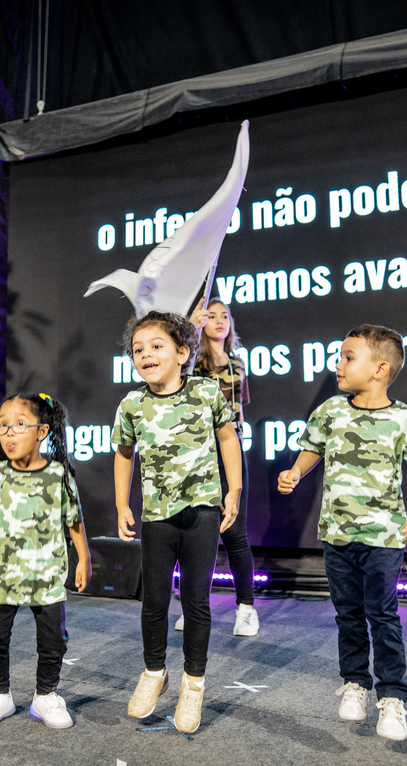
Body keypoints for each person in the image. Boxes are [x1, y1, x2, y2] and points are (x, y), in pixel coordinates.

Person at [278, 325, 407, 742]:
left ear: (380, 368)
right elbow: (312, 449)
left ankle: (392, 696)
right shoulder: (331, 411)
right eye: (340, 356)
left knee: (382, 614)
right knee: (347, 614)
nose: (339, 364)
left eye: (349, 357)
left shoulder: (405, 418)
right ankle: (355, 683)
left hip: (383, 537)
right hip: (336, 535)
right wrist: (296, 471)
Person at [113, 310, 243, 734]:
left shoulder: (206, 393)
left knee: (195, 601)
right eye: (138, 349)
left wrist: (234, 490)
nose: (145, 354)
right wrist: (121, 504)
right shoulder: (132, 404)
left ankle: (194, 682)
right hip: (157, 516)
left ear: (183, 352)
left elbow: (228, 438)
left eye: (156, 346)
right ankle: (154, 671)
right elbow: (123, 454)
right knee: (154, 601)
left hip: (202, 513)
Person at [0, 393, 91, 730]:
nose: (9, 433)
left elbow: (73, 520)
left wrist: (84, 558)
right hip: (5, 574)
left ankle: (46, 695)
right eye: (3, 426)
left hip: (48, 575)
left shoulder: (59, 475)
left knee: (52, 641)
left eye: (19, 425)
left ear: (42, 432)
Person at [188, 297, 257, 636]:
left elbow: (239, 406)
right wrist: (190, 326)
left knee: (234, 532)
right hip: (199, 452)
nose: (219, 320)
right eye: (211, 316)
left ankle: (245, 608)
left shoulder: (238, 364)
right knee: (196, 533)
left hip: (229, 451)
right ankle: (193, 604)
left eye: (224, 316)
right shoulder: (192, 361)